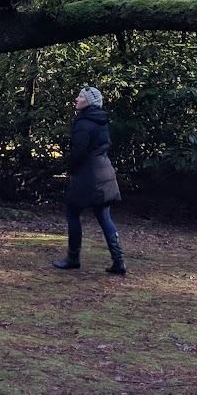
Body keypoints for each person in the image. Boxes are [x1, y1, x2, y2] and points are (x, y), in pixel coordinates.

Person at [53, 87, 125, 275]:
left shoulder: (84, 123)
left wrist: (70, 169)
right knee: (104, 216)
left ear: (89, 102)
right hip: (105, 173)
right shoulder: (100, 120)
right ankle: (119, 261)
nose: (76, 99)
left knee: (72, 213)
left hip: (88, 177)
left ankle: (73, 257)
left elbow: (79, 152)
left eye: (80, 96)